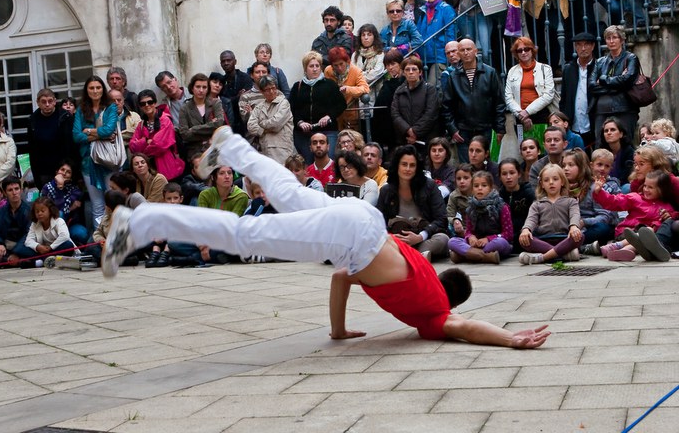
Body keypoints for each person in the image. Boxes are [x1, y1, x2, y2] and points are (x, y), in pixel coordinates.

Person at [103, 126, 551, 349]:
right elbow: (462, 327)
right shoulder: (434, 313)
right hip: (352, 240)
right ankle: (139, 224)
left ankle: (233, 147)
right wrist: (511, 338)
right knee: (246, 235)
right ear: (450, 302)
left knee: (289, 194)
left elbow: (341, 278)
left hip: (364, 222)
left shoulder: (422, 272)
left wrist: (338, 332)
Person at [376, 145, 450, 261]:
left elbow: (441, 219)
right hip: (396, 239)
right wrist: (391, 237)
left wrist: (420, 236)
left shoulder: (429, 186)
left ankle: (407, 255)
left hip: (424, 237)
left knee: (443, 239)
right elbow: (378, 222)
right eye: (404, 164)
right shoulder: (386, 190)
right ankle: (417, 256)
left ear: (417, 168)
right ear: (397, 166)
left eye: (412, 165)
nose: (408, 169)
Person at [442, 38, 506, 164]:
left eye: (469, 49)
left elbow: (499, 102)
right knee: (466, 169)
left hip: (486, 128)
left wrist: (500, 128)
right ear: (459, 53)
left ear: (476, 51)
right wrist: (452, 129)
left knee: (487, 167)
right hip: (462, 131)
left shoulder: (490, 73)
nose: (466, 53)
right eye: (462, 50)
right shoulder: (453, 77)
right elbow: (447, 106)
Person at [595, 171, 676, 261]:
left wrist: (655, 226)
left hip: (645, 236)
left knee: (647, 235)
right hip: (627, 233)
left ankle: (623, 251)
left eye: (650, 187)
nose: (646, 189)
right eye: (645, 186)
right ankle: (617, 245)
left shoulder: (666, 208)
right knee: (647, 232)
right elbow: (614, 202)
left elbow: (663, 224)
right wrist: (600, 192)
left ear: (661, 190)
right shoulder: (635, 198)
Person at [72, 76, 119, 227]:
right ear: (86, 90)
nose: (95, 91)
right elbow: (76, 135)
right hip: (88, 162)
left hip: (108, 161)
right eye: (91, 88)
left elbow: (109, 130)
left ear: (103, 89)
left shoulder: (110, 107)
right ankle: (99, 237)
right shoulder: (81, 110)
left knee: (112, 202)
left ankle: (115, 236)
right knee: (97, 204)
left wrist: (89, 131)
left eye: (98, 87)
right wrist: (98, 136)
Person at [518, 164, 584, 265]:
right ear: (542, 184)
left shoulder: (571, 201)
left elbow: (575, 215)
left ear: (562, 181)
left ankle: (543, 257)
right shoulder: (537, 204)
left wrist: (574, 227)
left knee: (580, 236)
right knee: (524, 240)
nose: (551, 182)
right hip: (544, 239)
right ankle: (564, 254)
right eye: (546, 180)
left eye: (555, 179)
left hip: (564, 238)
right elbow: (531, 219)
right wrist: (526, 229)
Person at [589, 25, 642, 144]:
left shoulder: (631, 58)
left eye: (614, 37)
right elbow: (591, 85)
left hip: (624, 108)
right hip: (601, 110)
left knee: (625, 143)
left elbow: (627, 81)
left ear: (622, 40)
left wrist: (603, 79)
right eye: (608, 38)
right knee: (600, 145)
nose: (611, 41)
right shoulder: (600, 61)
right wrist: (616, 86)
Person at [289, 51, 346, 162]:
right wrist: (300, 122)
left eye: (317, 66)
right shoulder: (297, 86)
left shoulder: (330, 84)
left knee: (328, 163)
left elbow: (341, 104)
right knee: (308, 164)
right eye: (311, 66)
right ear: (305, 68)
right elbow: (292, 108)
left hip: (327, 131)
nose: (315, 69)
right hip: (304, 134)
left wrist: (329, 116)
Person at [448, 170, 513, 263]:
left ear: (490, 188)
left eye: (484, 185)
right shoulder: (471, 208)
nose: (480, 188)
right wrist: (470, 237)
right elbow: (468, 231)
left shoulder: (501, 206)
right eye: (476, 186)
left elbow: (508, 234)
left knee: (501, 243)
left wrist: (488, 239)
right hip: (476, 243)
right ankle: (486, 257)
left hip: (493, 242)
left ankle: (465, 256)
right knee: (452, 241)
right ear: (472, 189)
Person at [562, 148, 616, 246]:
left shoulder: (594, 187)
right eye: (563, 165)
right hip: (567, 227)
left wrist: (584, 222)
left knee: (602, 229)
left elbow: (604, 217)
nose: (566, 168)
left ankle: (570, 245)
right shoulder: (560, 187)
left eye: (570, 165)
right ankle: (574, 245)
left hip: (587, 227)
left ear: (581, 167)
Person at [504, 37, 557, 134]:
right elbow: (508, 97)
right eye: (519, 50)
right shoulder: (512, 71)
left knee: (544, 143)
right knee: (523, 144)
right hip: (520, 117)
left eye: (526, 49)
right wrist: (521, 115)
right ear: (516, 53)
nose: (523, 52)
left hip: (541, 115)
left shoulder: (545, 69)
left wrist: (527, 111)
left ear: (532, 50)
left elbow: (548, 95)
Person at [129, 89, 185, 181]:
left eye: (150, 102)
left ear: (155, 103)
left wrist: (142, 148)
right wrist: (146, 141)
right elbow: (132, 147)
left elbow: (159, 145)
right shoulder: (141, 124)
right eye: (143, 104)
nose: (147, 105)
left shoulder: (165, 120)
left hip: (167, 169)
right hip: (150, 171)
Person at [27, 88, 75, 190]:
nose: (47, 104)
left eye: (50, 101)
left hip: (64, 168)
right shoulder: (32, 120)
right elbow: (32, 149)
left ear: (55, 101)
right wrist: (36, 174)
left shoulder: (65, 117)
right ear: (38, 103)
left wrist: (72, 168)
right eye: (43, 102)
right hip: (44, 169)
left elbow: (72, 145)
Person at [390, 56, 439, 150]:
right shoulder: (399, 91)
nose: (411, 72)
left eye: (414, 69)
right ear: (403, 73)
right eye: (407, 69)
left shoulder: (429, 89)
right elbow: (395, 114)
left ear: (420, 72)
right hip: (405, 139)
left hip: (425, 140)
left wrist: (415, 132)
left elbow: (430, 113)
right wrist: (407, 130)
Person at [246, 75, 296, 165]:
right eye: (268, 89)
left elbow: (275, 124)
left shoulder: (284, 103)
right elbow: (250, 126)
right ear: (262, 91)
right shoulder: (259, 107)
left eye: (273, 88)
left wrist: (261, 123)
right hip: (264, 148)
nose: (272, 91)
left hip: (282, 148)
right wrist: (263, 130)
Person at [416, 0, 457, 86]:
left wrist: (449, 53)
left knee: (433, 86)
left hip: (440, 56)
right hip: (424, 57)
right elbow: (418, 33)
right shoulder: (422, 10)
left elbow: (450, 33)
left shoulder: (446, 9)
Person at [560, 32, 598, 147]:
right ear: (575, 47)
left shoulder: (599, 66)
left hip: (594, 122)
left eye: (586, 44)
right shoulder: (568, 69)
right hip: (574, 123)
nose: (583, 48)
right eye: (579, 45)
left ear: (593, 46)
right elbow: (564, 97)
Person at [0, 177, 34, 268]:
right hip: (7, 245)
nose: (14, 192)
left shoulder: (30, 210)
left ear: (21, 190)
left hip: (23, 243)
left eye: (16, 189)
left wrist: (15, 252)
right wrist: (0, 244)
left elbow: (28, 234)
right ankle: (13, 260)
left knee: (32, 247)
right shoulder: (0, 211)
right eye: (10, 190)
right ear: (5, 193)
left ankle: (7, 260)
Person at [40, 160, 87, 247]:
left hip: (69, 224)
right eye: (62, 170)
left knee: (82, 233)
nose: (64, 173)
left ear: (71, 177)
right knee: (59, 215)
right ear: (56, 172)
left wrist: (60, 188)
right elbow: (52, 211)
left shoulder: (75, 190)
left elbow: (63, 209)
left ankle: (67, 243)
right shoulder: (47, 188)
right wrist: (70, 208)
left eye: (68, 172)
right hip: (50, 225)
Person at [178, 73, 226, 159]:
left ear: (208, 89)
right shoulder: (185, 109)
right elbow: (185, 134)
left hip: (215, 146)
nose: (201, 90)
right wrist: (211, 127)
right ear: (192, 88)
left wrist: (194, 129)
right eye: (198, 87)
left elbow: (219, 124)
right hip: (195, 152)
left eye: (204, 87)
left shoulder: (215, 103)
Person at [325, 47, 369, 132]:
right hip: (334, 114)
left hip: (350, 114)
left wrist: (348, 89)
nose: (339, 68)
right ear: (332, 65)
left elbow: (365, 88)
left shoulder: (355, 71)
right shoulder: (328, 71)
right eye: (336, 65)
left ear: (347, 61)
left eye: (341, 64)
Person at [372, 49, 405, 159]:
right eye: (387, 65)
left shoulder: (404, 82)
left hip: (399, 128)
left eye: (393, 64)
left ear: (400, 64)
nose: (390, 68)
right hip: (387, 127)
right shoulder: (388, 83)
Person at [499, 158, 536, 252]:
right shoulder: (498, 197)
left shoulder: (529, 193)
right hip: (505, 238)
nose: (508, 177)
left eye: (512, 173)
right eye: (504, 174)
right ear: (499, 177)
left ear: (519, 174)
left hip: (526, 235)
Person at [220, 51, 255, 134]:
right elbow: (223, 104)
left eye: (229, 60)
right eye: (223, 61)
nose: (226, 63)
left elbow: (246, 100)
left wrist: (232, 100)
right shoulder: (221, 82)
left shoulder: (245, 78)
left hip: (244, 123)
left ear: (235, 62)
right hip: (228, 124)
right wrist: (237, 97)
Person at [599, 117, 635, 187]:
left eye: (612, 130)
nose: (609, 133)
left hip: (621, 187)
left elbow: (626, 178)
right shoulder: (601, 152)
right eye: (606, 131)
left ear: (621, 134)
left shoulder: (629, 152)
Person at [447, 163, 473, 238]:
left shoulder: (478, 193)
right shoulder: (454, 196)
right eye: (458, 178)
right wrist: (455, 220)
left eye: (466, 178)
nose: (462, 181)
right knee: (452, 242)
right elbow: (449, 215)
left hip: (481, 229)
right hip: (463, 230)